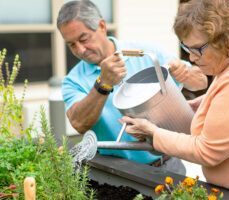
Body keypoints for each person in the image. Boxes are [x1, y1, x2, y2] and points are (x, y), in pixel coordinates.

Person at [121, 0, 229, 199]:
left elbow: (207, 151)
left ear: (226, 41)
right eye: (186, 48)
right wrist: (201, 104)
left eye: (197, 48)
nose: (191, 58)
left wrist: (155, 134)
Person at [56, 0, 208, 175]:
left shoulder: (145, 53)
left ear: (102, 26)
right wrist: (102, 84)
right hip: (115, 172)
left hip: (168, 165)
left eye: (84, 39)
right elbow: (79, 124)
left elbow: (201, 81)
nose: (80, 49)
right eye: (72, 44)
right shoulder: (73, 80)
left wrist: (186, 75)